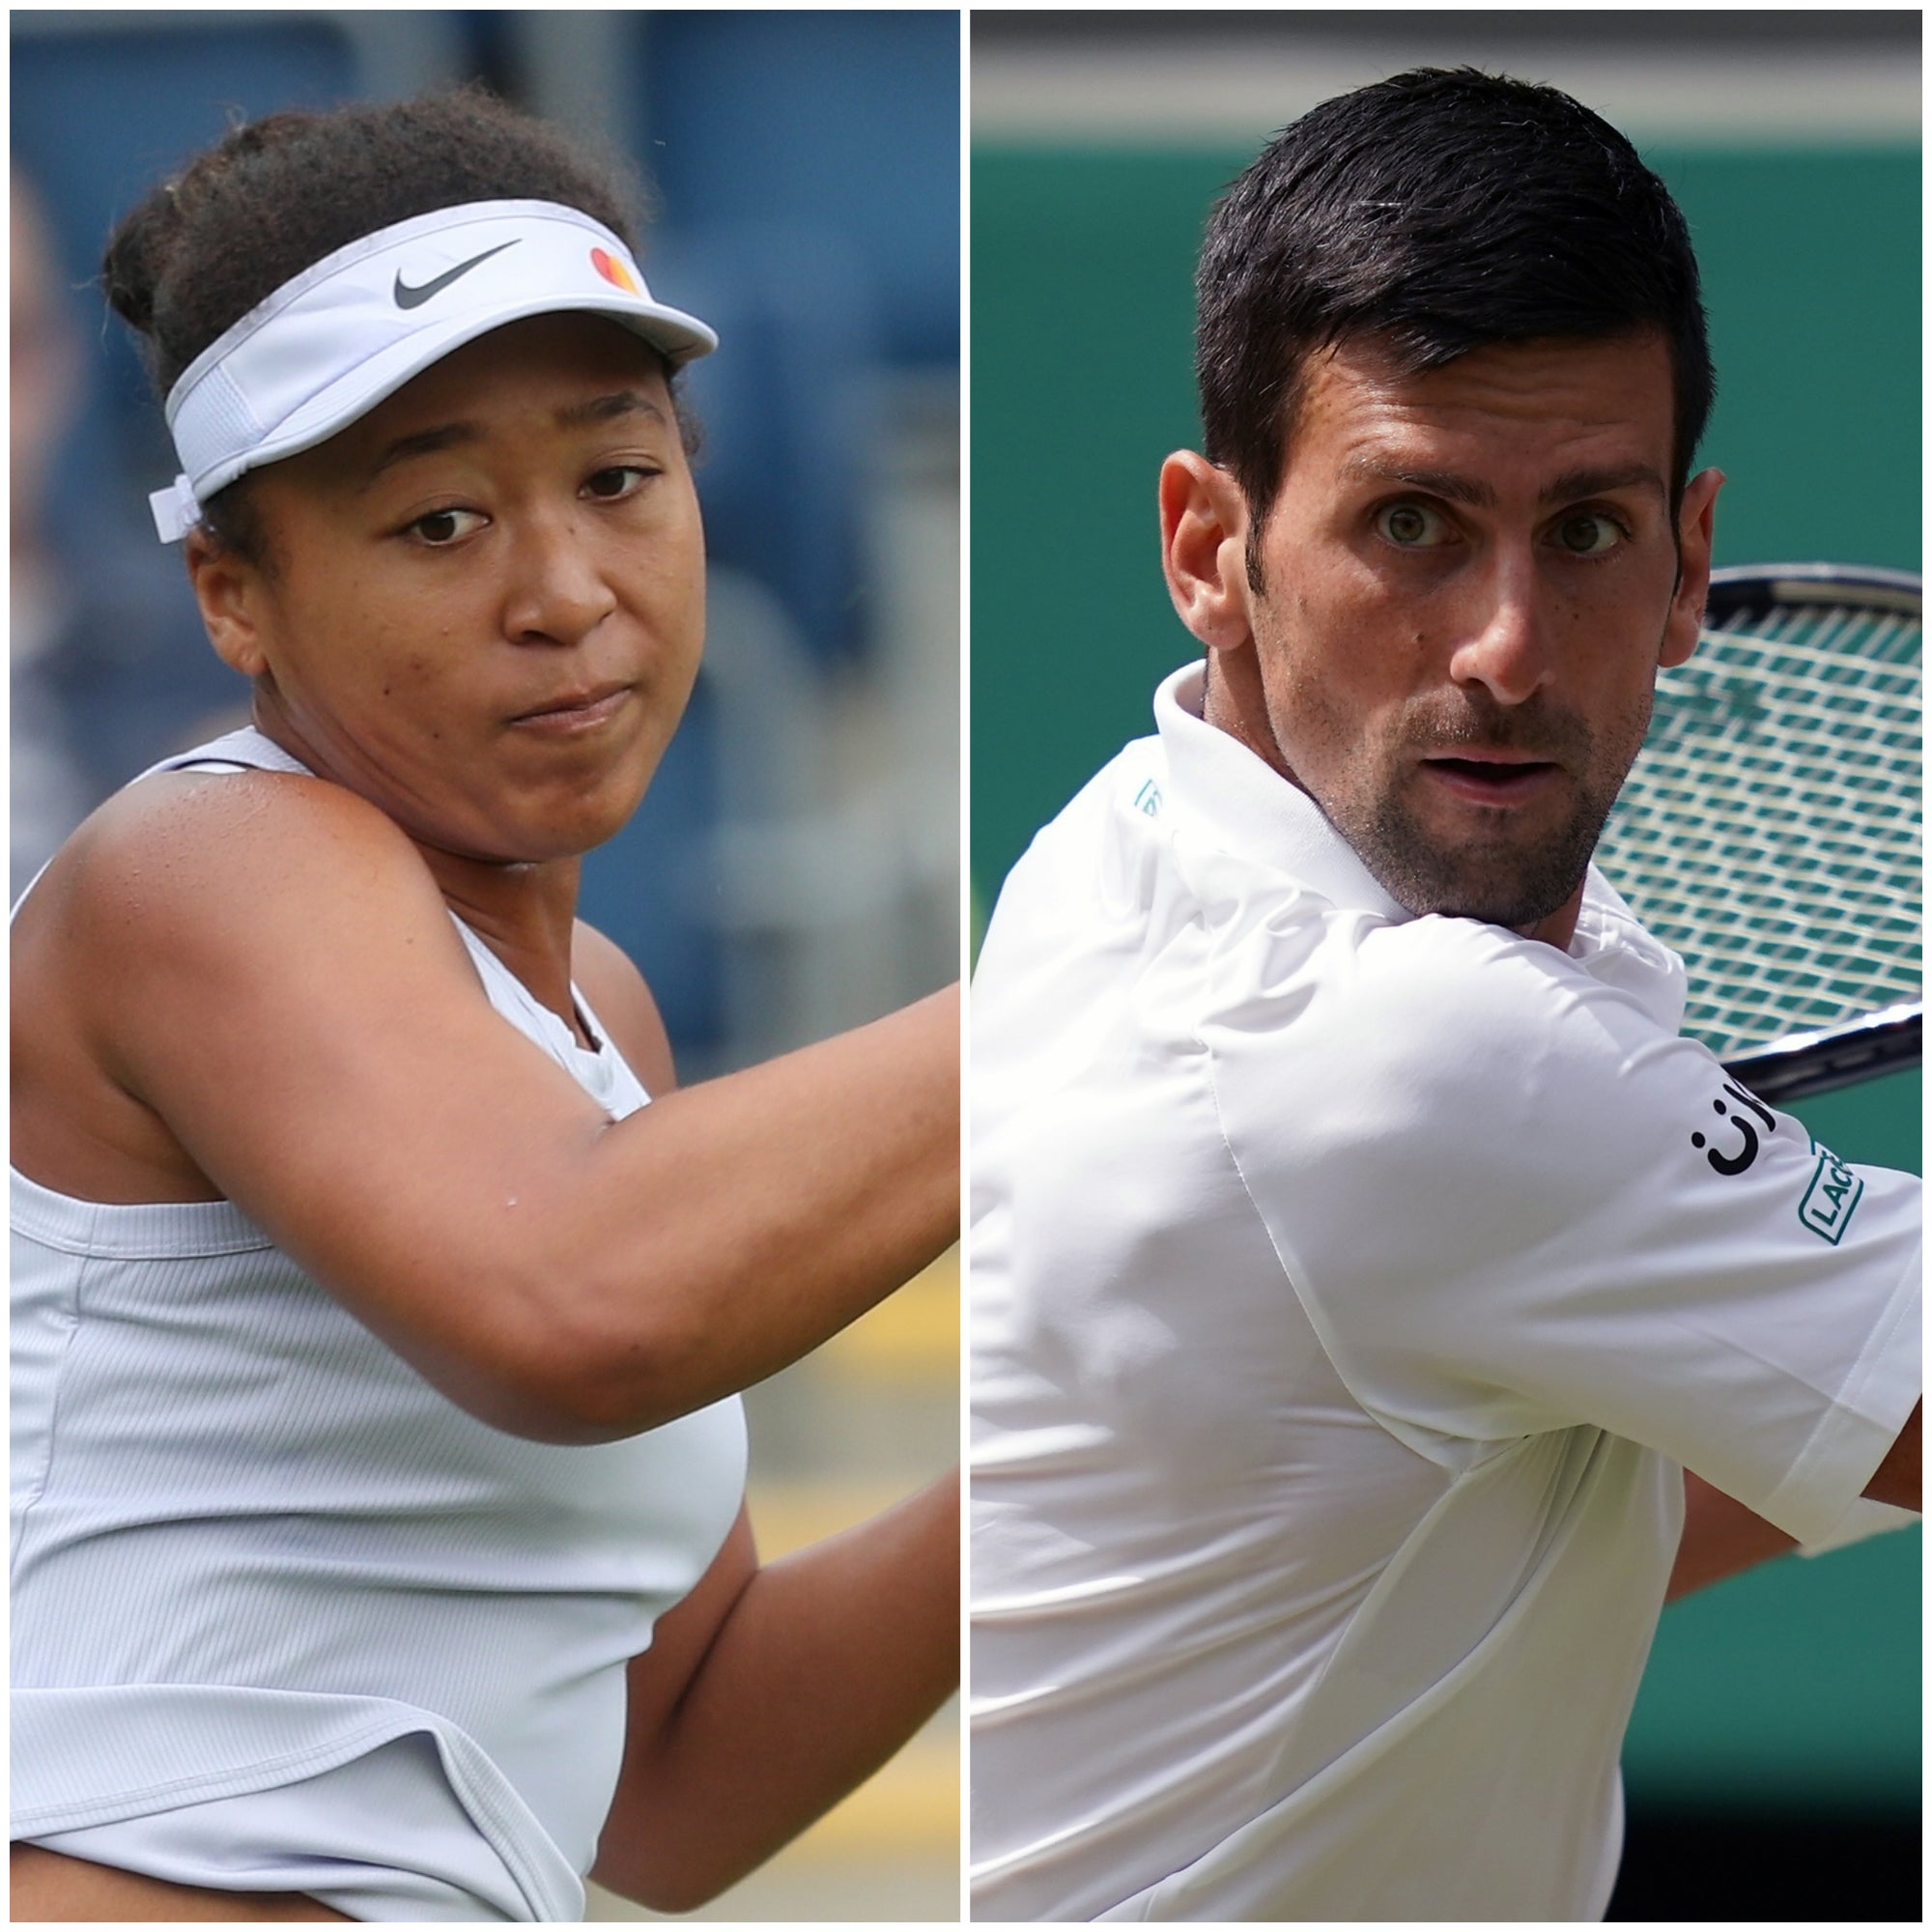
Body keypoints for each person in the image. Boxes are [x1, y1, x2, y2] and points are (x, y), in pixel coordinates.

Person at [968, 68, 1919, 1923]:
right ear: (1207, 548)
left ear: (1687, 567)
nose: (1502, 645)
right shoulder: (1428, 1062)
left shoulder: (1121, 844)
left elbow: (1433, 1512)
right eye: (1413, 524)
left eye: (1584, 532)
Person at [12, 89, 958, 1924]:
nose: (566, 591)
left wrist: (1094, 1458)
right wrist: (1124, 991)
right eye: (439, 521)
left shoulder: (597, 1023)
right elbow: (577, 1303)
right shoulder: (200, 866)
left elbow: (664, 1783)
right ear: (235, 596)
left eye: (619, 479)